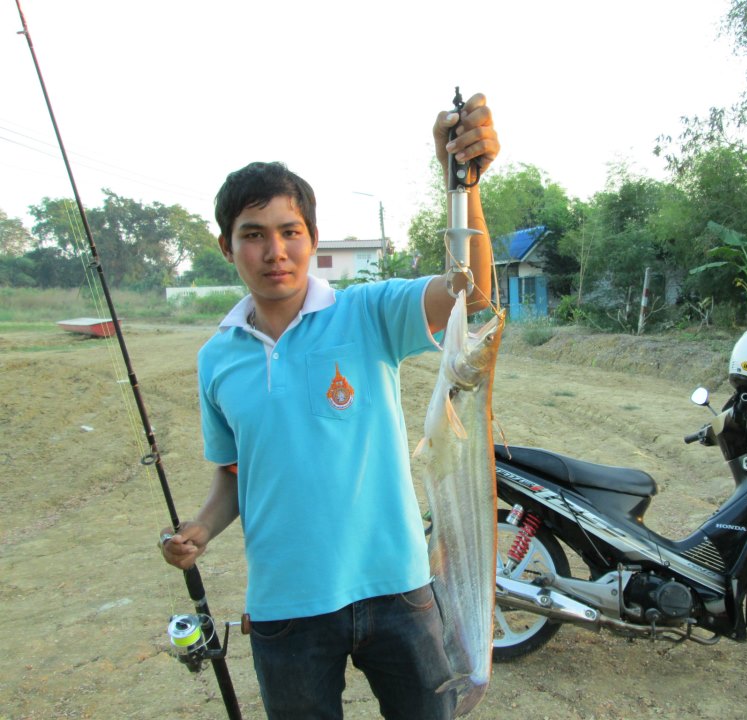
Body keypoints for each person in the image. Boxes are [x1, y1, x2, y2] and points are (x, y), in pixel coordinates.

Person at [160, 93, 499, 720]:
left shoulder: (367, 313)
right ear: (225, 245)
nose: (275, 252)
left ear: (312, 239)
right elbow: (235, 474)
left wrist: (464, 185)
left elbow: (469, 291)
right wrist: (200, 529)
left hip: (398, 588)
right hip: (286, 607)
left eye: (290, 233)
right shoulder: (218, 358)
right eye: (253, 236)